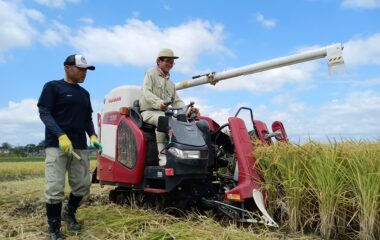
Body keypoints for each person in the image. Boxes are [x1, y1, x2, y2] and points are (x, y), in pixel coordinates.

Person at [37, 54, 103, 240]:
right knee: (55, 188)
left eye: (86, 70)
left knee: (82, 185)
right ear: (67, 67)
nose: (84, 73)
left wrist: (93, 136)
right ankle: (54, 230)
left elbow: (87, 118)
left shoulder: (84, 94)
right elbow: (44, 113)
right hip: (57, 146)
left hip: (79, 146)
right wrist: (60, 135)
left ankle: (69, 213)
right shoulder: (53, 87)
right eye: (80, 69)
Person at [139, 48, 198, 166]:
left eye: (172, 62)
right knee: (164, 121)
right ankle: (163, 158)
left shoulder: (171, 84)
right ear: (158, 61)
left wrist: (188, 109)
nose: (170, 64)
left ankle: (180, 156)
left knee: (180, 122)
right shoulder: (150, 74)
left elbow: (177, 101)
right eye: (167, 61)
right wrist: (158, 103)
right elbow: (146, 92)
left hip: (163, 113)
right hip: (148, 112)